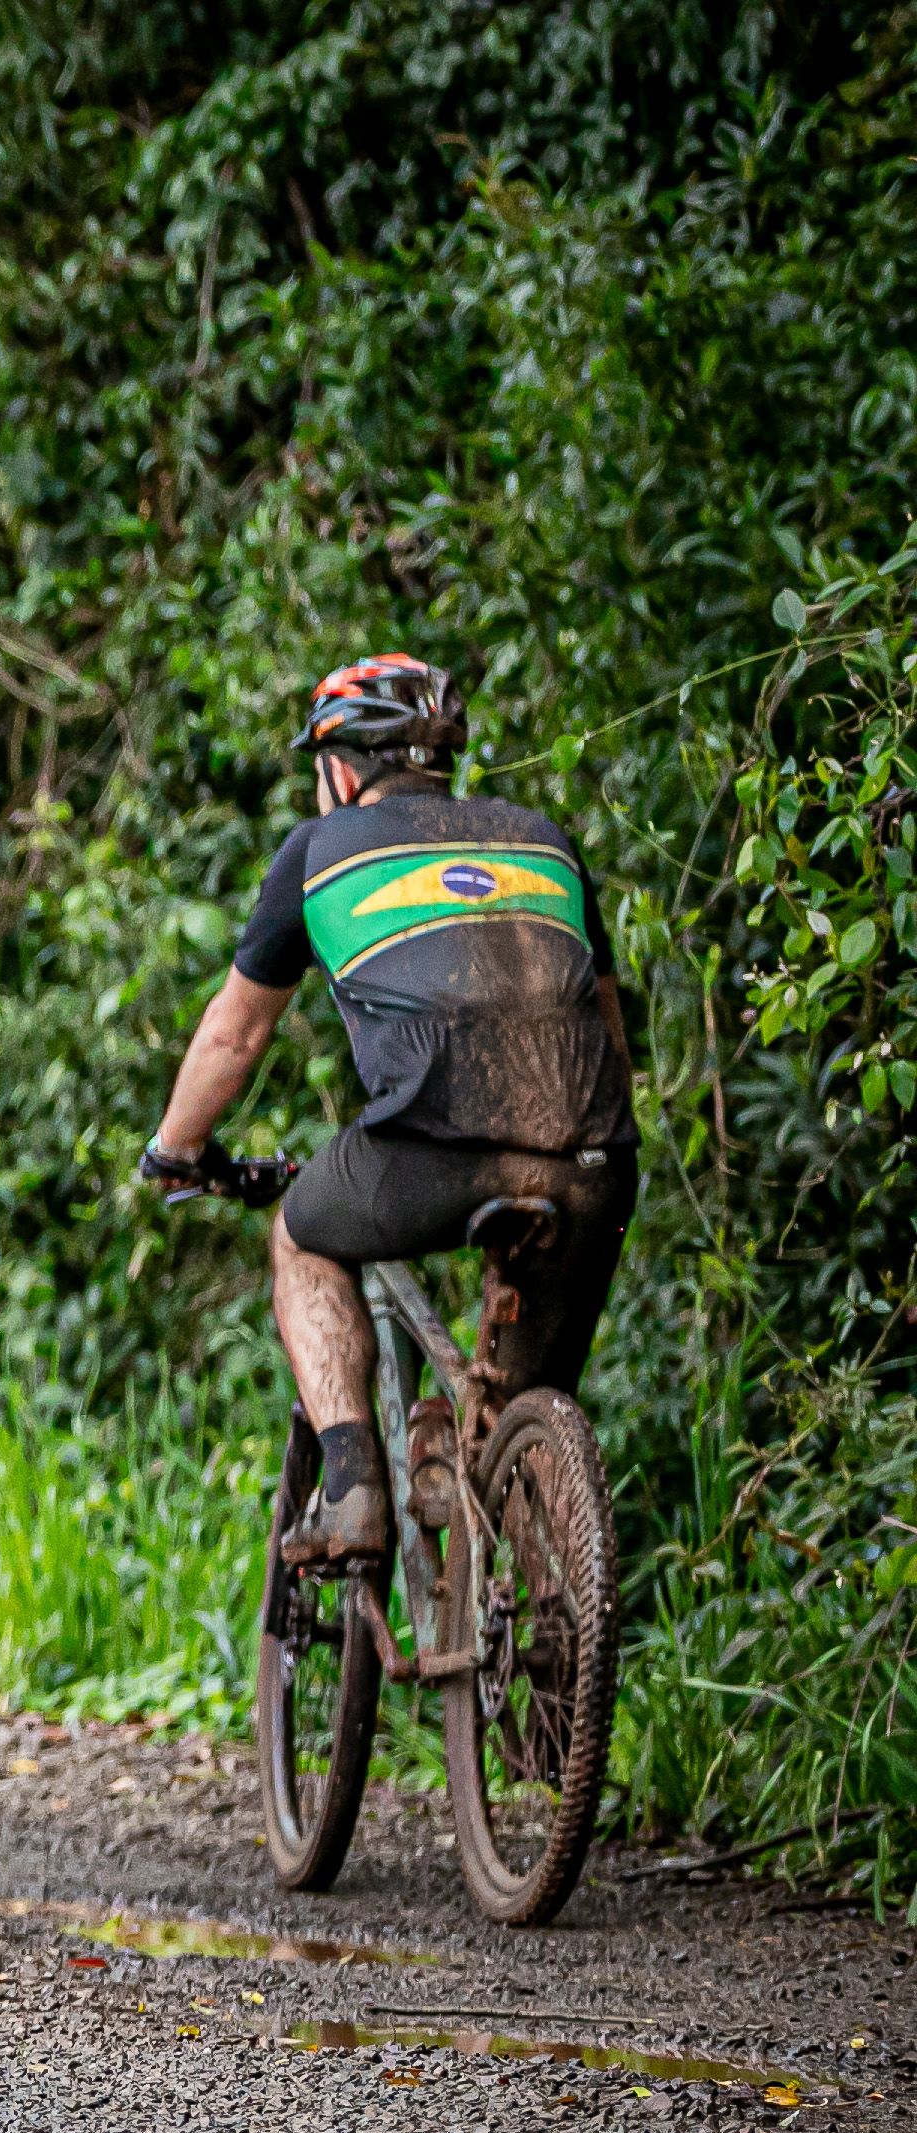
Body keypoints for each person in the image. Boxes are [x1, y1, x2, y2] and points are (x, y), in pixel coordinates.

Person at [143, 656, 635, 1564]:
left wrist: (176, 1149)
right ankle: (549, 1593)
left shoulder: (320, 850)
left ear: (340, 770)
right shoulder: (544, 841)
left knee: (301, 1237)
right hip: (594, 1160)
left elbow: (234, 1037)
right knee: (519, 1419)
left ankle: (353, 1488)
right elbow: (608, 1029)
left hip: (432, 1149)